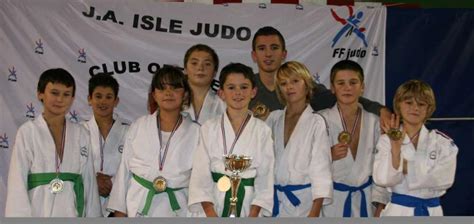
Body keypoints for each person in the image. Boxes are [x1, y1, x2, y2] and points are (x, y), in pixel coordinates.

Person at [5, 68, 101, 217]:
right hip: (38, 209)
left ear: (72, 98)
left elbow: (89, 183)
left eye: (66, 94)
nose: (60, 99)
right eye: (54, 93)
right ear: (40, 94)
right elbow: (17, 182)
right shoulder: (28, 132)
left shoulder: (81, 133)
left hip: (71, 211)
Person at [249, 26, 392, 126]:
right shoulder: (245, 88)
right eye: (262, 49)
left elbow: (346, 96)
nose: (268, 54)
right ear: (254, 55)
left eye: (274, 48)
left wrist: (379, 109)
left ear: (284, 54)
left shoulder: (305, 88)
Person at [107, 66, 200, 217]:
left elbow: (200, 180)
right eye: (162, 88)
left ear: (185, 94)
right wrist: (119, 211)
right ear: (154, 95)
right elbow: (124, 170)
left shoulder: (197, 132)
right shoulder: (139, 126)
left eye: (175, 87)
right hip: (138, 205)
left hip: (179, 209)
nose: (168, 93)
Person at [188, 63, 274, 217]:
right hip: (213, 202)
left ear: (253, 92)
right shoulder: (209, 128)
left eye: (244, 87)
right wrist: (210, 213)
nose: (238, 93)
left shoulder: (263, 131)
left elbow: (265, 178)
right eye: (231, 87)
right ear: (221, 93)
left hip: (249, 204)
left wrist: (253, 215)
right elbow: (200, 175)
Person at [373, 80, 458, 216]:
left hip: (431, 210)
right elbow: (382, 179)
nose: (415, 108)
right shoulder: (386, 141)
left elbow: (444, 180)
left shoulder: (443, 143)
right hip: (398, 210)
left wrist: (403, 167)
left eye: (421, 104)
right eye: (409, 103)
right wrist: (395, 149)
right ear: (398, 106)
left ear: (428, 108)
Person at [318, 60, 389, 217]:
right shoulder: (319, 120)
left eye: (353, 82)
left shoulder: (375, 122)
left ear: (362, 87)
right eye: (341, 83)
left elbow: (383, 165)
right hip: (330, 204)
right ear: (332, 88)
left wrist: (380, 205)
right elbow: (304, 164)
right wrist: (327, 155)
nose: (347, 88)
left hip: (367, 202)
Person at [266, 61, 333, 217]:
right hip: (275, 201)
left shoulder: (316, 122)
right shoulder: (274, 119)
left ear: (307, 84)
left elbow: (321, 169)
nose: (289, 87)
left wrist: (314, 212)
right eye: (283, 83)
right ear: (279, 89)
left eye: (295, 81)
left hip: (305, 205)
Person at [82, 73, 130, 217]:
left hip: (120, 206)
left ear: (116, 101)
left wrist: (113, 183)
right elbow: (72, 166)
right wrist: (93, 180)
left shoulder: (130, 132)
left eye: (108, 97)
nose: (103, 101)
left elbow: (135, 167)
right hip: (85, 203)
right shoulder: (79, 131)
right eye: (98, 96)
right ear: (89, 99)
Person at [182, 44, 226, 125]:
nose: (200, 68)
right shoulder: (174, 100)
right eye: (194, 63)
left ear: (215, 72)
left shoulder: (223, 104)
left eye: (207, 64)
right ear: (185, 69)